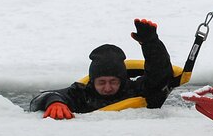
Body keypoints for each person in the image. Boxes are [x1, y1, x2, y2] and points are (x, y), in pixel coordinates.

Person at [29, 19, 174, 119]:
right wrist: (55, 101)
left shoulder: (135, 89)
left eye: (113, 81)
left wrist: (151, 43)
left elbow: (159, 74)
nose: (108, 87)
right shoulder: (82, 94)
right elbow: (42, 97)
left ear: (122, 80)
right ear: (92, 81)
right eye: (101, 82)